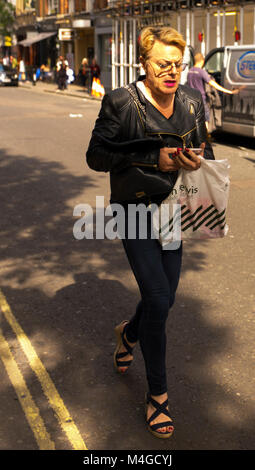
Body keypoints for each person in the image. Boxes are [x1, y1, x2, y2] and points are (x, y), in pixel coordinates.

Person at [86, 26, 214, 439]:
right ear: (144, 62)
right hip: (134, 211)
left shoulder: (193, 102)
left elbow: (205, 149)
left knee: (166, 299)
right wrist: (150, 157)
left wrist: (197, 159)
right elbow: (96, 156)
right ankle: (158, 395)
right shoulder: (121, 103)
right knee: (158, 297)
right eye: (163, 63)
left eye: (177, 64)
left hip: (174, 212)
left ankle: (130, 332)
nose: (171, 71)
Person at [187, 52, 239, 130]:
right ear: (202, 61)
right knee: (205, 119)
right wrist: (228, 91)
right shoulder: (201, 72)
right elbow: (213, 84)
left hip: (190, 99)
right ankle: (204, 138)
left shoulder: (190, 71)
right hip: (200, 99)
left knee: (193, 119)